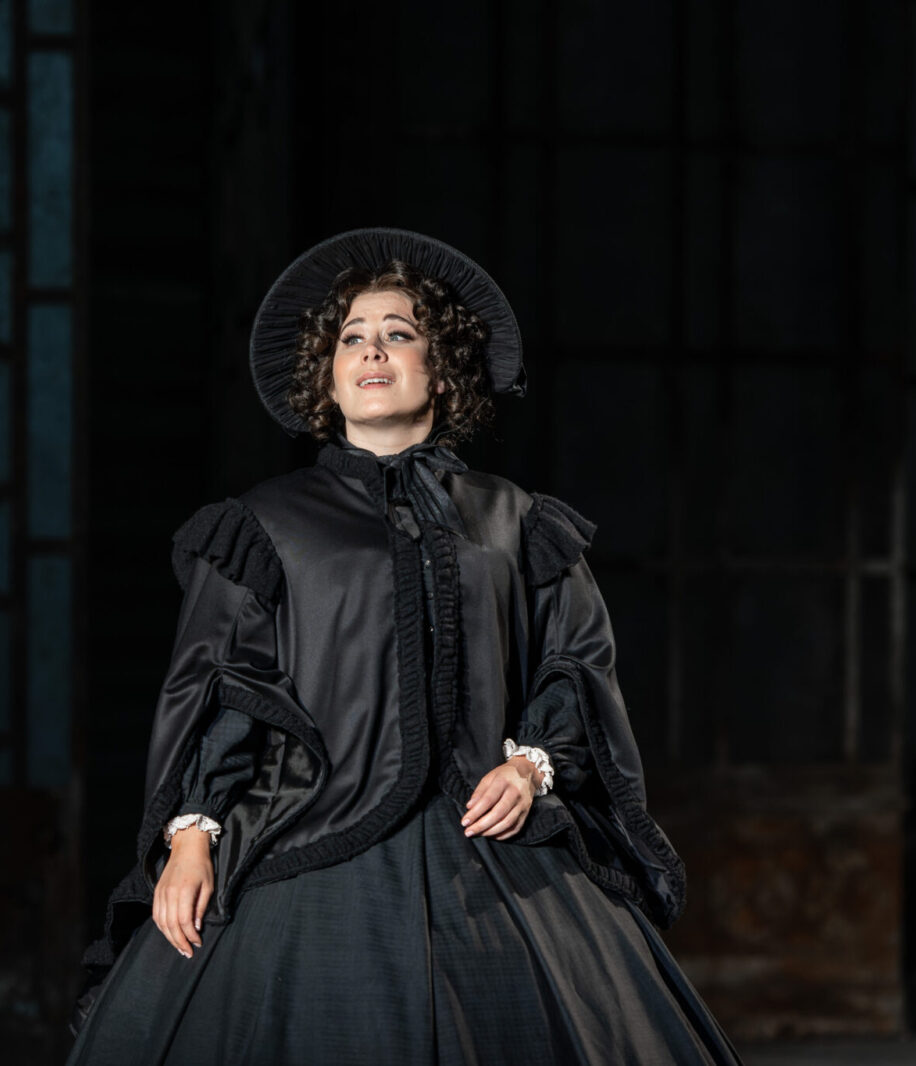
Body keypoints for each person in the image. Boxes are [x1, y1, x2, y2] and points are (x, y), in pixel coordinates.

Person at [67, 229, 741, 1065]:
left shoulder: (515, 519)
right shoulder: (265, 525)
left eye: (398, 332)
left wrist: (530, 768)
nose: (372, 350)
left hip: (489, 840)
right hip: (307, 834)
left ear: (442, 367)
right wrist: (194, 834)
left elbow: (573, 662)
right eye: (351, 337)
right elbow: (224, 687)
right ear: (327, 374)